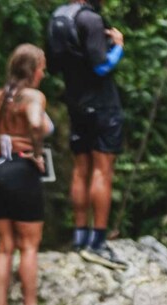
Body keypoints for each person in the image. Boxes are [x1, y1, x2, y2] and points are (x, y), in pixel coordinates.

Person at [47, 0, 127, 269]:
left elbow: (54, 64)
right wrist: (118, 47)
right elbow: (101, 66)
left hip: (76, 103)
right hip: (102, 105)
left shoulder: (59, 17)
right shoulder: (90, 20)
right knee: (102, 171)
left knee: (81, 169)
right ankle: (97, 242)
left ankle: (80, 236)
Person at [0, 45, 56, 305]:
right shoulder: (32, 96)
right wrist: (36, 152)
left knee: (4, 246)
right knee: (29, 245)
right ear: (32, 70)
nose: (43, 73)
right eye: (41, 67)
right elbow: (35, 123)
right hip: (22, 170)